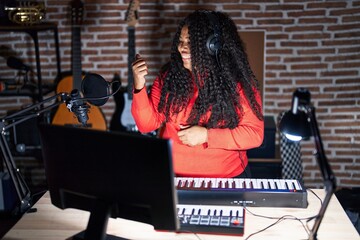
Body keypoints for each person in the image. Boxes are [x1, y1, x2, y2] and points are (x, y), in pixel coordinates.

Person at [131, 10, 264, 178]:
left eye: (191, 42)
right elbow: (146, 125)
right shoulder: (169, 78)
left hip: (227, 179)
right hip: (175, 178)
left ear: (212, 45)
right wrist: (139, 85)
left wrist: (207, 135)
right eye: (181, 41)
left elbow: (254, 135)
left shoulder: (237, 84)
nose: (182, 48)